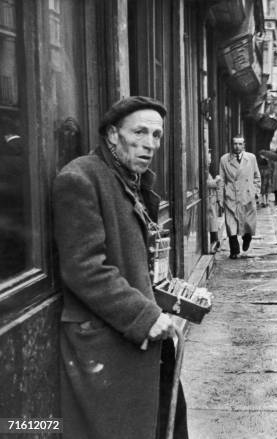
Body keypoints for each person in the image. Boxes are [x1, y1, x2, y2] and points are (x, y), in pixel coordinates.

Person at [52, 96, 188, 439]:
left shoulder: (129, 179)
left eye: (156, 136)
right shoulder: (80, 178)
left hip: (142, 337)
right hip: (109, 345)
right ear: (113, 135)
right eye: (139, 132)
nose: (149, 144)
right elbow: (85, 269)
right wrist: (143, 317)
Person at [218, 135, 261, 259]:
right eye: (235, 144)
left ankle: (247, 238)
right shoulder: (224, 159)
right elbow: (221, 180)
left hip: (247, 196)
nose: (237, 146)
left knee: (248, 224)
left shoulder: (251, 158)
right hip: (231, 195)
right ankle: (234, 250)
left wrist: (256, 192)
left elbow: (257, 176)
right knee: (231, 224)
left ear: (244, 145)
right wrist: (220, 197)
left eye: (240, 144)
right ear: (231, 145)